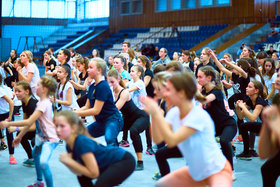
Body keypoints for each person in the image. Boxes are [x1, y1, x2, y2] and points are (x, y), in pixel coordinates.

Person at [140, 72, 232, 187]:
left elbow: (172, 141)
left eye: (168, 90)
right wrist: (154, 115)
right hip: (196, 173)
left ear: (182, 93)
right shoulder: (174, 113)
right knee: (161, 184)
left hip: (218, 170)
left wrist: (156, 114)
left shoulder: (197, 115)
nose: (158, 93)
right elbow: (158, 139)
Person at [0, 76, 59, 187]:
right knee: (35, 156)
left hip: (50, 139)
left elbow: (29, 122)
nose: (35, 87)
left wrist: (9, 124)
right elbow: (31, 123)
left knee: (43, 162)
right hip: (40, 138)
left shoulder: (43, 104)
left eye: (38, 85)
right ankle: (39, 182)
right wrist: (20, 136)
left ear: (45, 89)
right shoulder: (40, 103)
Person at [54, 110, 135, 187]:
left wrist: (70, 161)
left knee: (100, 184)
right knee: (82, 177)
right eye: (56, 126)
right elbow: (78, 171)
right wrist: (68, 163)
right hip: (105, 164)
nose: (57, 130)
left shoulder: (81, 142)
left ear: (73, 128)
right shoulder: (69, 145)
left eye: (62, 126)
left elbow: (94, 173)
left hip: (123, 160)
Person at [197, 66, 237, 176]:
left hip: (228, 124)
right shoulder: (203, 91)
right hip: (214, 127)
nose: (198, 79)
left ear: (209, 78)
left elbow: (205, 100)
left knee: (224, 140)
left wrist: (195, 92)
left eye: (200, 77)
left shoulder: (217, 92)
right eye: (197, 77)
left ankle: (230, 170)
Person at [75, 58, 123, 146]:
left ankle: (118, 157)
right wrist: (74, 112)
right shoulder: (92, 86)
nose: (88, 70)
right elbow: (87, 106)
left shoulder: (103, 86)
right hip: (101, 121)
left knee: (109, 139)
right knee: (81, 135)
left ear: (99, 70)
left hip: (113, 119)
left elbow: (96, 110)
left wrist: (75, 113)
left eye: (90, 67)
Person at [108, 69, 149, 170]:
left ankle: (140, 162)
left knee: (133, 131)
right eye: (108, 82)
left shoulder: (124, 92)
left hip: (141, 116)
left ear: (118, 80)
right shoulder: (112, 92)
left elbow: (115, 108)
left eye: (112, 82)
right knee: (111, 129)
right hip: (128, 118)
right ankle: (117, 157)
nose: (110, 84)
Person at [235, 80, 268, 160]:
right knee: (243, 126)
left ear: (256, 91)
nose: (246, 88)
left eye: (249, 87)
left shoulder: (259, 102)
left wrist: (243, 107)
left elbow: (253, 118)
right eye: (247, 86)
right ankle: (247, 152)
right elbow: (240, 117)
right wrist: (237, 107)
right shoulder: (250, 100)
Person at [258, 69, 280, 187]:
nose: (278, 79)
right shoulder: (277, 98)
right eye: (278, 76)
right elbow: (264, 153)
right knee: (267, 169)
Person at [11, 81, 37, 167]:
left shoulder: (33, 105)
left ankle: (39, 159)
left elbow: (33, 127)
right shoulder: (24, 102)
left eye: (19, 91)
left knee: (34, 141)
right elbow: (25, 120)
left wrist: (16, 128)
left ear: (27, 91)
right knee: (20, 135)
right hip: (36, 128)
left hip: (43, 131)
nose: (16, 93)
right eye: (16, 91)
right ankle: (31, 158)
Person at [0, 74, 16, 164]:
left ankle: (11, 155)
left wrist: (9, 117)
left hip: (6, 114)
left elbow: (11, 101)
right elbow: (12, 95)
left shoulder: (2, 90)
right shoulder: (4, 88)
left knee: (9, 133)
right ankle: (2, 141)